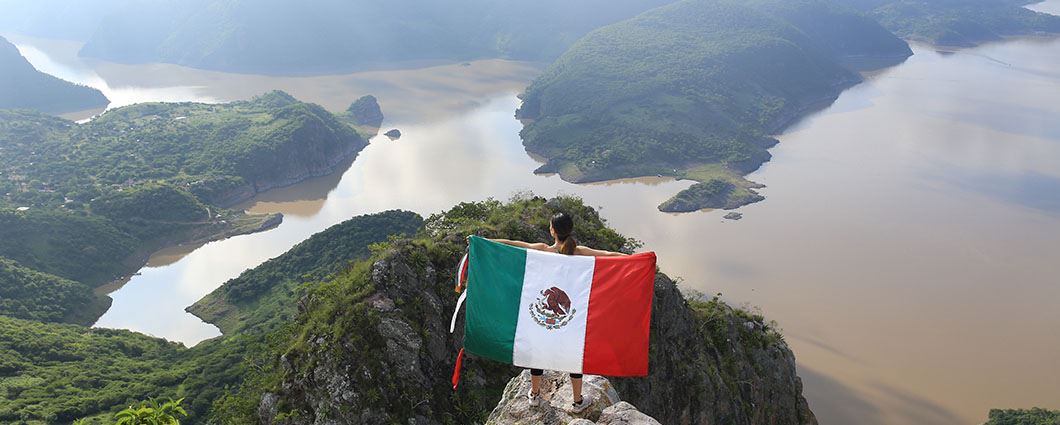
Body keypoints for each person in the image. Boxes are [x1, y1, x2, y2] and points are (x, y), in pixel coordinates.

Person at [487, 212, 627, 413]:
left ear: (552, 230)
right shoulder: (580, 253)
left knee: (539, 353)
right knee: (573, 355)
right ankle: (578, 401)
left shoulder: (544, 251)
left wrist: (485, 241)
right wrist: (637, 258)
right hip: (572, 317)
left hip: (543, 317)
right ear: (570, 230)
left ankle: (534, 396)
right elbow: (610, 255)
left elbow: (513, 244)